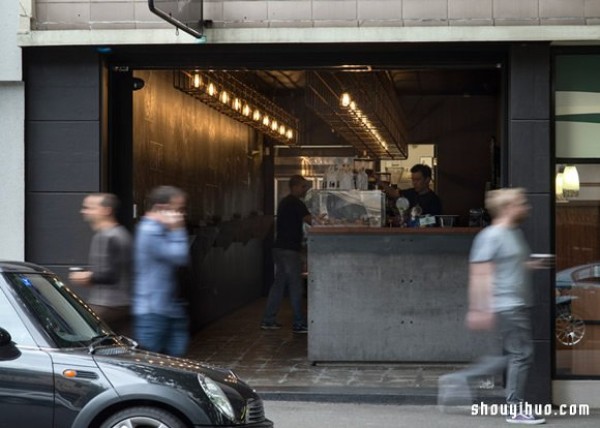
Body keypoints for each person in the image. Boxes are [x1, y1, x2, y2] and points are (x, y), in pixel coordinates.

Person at [437, 188, 550, 425]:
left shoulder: (513, 233)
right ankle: (514, 408)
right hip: (506, 304)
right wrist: (479, 308)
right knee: (521, 354)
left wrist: (532, 264)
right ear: (508, 208)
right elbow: (480, 273)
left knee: (514, 355)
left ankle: (460, 379)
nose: (526, 207)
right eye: (521, 203)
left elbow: (512, 265)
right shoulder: (491, 236)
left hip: (516, 303)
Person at [132, 185, 190, 357]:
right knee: (153, 362)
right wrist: (178, 230)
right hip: (153, 310)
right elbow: (179, 255)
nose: (181, 215)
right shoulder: (150, 231)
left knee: (175, 360)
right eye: (178, 209)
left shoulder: (159, 230)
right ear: (163, 208)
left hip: (167, 307)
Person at [69, 193, 132, 335]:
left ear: (106, 210)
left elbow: (108, 275)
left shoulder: (107, 236)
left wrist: (86, 276)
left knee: (77, 332)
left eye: (89, 208)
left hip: (107, 304)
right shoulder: (121, 233)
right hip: (123, 304)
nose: (83, 211)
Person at [261, 175, 315, 334]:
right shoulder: (296, 203)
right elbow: (311, 220)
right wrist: (327, 220)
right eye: (303, 187)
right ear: (295, 186)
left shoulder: (285, 202)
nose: (305, 190)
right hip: (289, 250)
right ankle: (299, 323)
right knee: (296, 286)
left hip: (278, 248)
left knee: (279, 285)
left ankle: (268, 320)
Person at [378, 163, 442, 216]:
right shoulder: (410, 193)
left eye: (417, 179)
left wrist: (414, 219)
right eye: (413, 180)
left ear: (427, 180)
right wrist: (380, 182)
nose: (414, 183)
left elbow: (434, 221)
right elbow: (394, 193)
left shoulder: (434, 200)